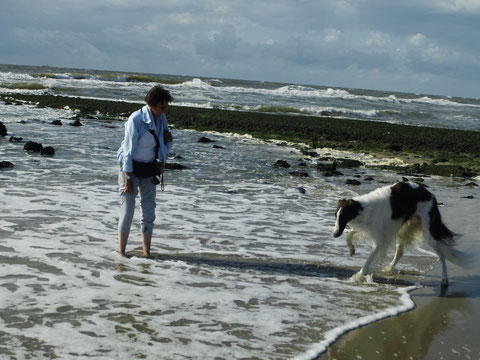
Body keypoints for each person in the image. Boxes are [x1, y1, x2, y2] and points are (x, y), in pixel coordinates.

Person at [116, 85, 173, 257]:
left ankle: (147, 253)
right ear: (152, 105)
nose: (164, 110)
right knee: (128, 210)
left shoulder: (161, 118)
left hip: (149, 168)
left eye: (166, 107)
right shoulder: (136, 119)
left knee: (149, 210)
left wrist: (162, 161)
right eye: (162, 107)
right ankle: (121, 252)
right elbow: (127, 150)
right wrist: (127, 177)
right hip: (130, 169)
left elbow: (167, 141)